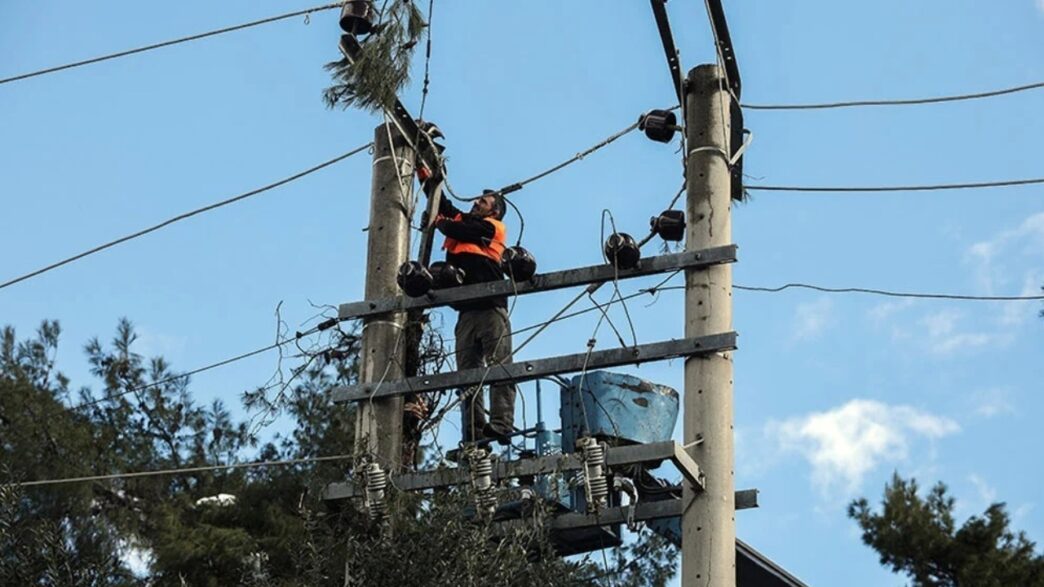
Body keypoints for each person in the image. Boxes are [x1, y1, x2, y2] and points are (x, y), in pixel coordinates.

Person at [431, 189, 516, 445]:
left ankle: (501, 424)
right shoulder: (465, 220)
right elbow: (443, 204)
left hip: (491, 308)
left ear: (495, 211)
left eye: (483, 202)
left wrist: (440, 223)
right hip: (466, 311)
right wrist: (428, 176)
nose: (476, 202)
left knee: (499, 365)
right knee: (468, 377)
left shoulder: (493, 228)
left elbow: (460, 231)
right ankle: (473, 435)